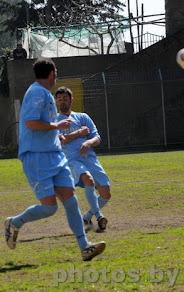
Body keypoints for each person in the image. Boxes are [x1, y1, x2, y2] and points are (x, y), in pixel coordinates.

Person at [4, 58, 106, 261]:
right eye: (56, 73)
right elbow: (31, 123)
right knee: (50, 207)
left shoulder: (45, 94)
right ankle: (14, 222)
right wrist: (56, 127)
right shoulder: (36, 92)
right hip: (36, 157)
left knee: (71, 200)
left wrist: (56, 136)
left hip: (55, 155)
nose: (56, 76)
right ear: (51, 74)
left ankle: (85, 246)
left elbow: (43, 126)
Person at [55, 87, 111, 232]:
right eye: (59, 99)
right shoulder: (55, 122)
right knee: (88, 180)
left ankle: (85, 217)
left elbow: (97, 137)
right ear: (56, 101)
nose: (62, 102)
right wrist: (79, 133)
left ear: (71, 99)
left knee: (105, 194)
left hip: (90, 159)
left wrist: (88, 142)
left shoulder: (83, 117)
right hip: (71, 161)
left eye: (65, 99)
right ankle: (99, 216)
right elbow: (60, 141)